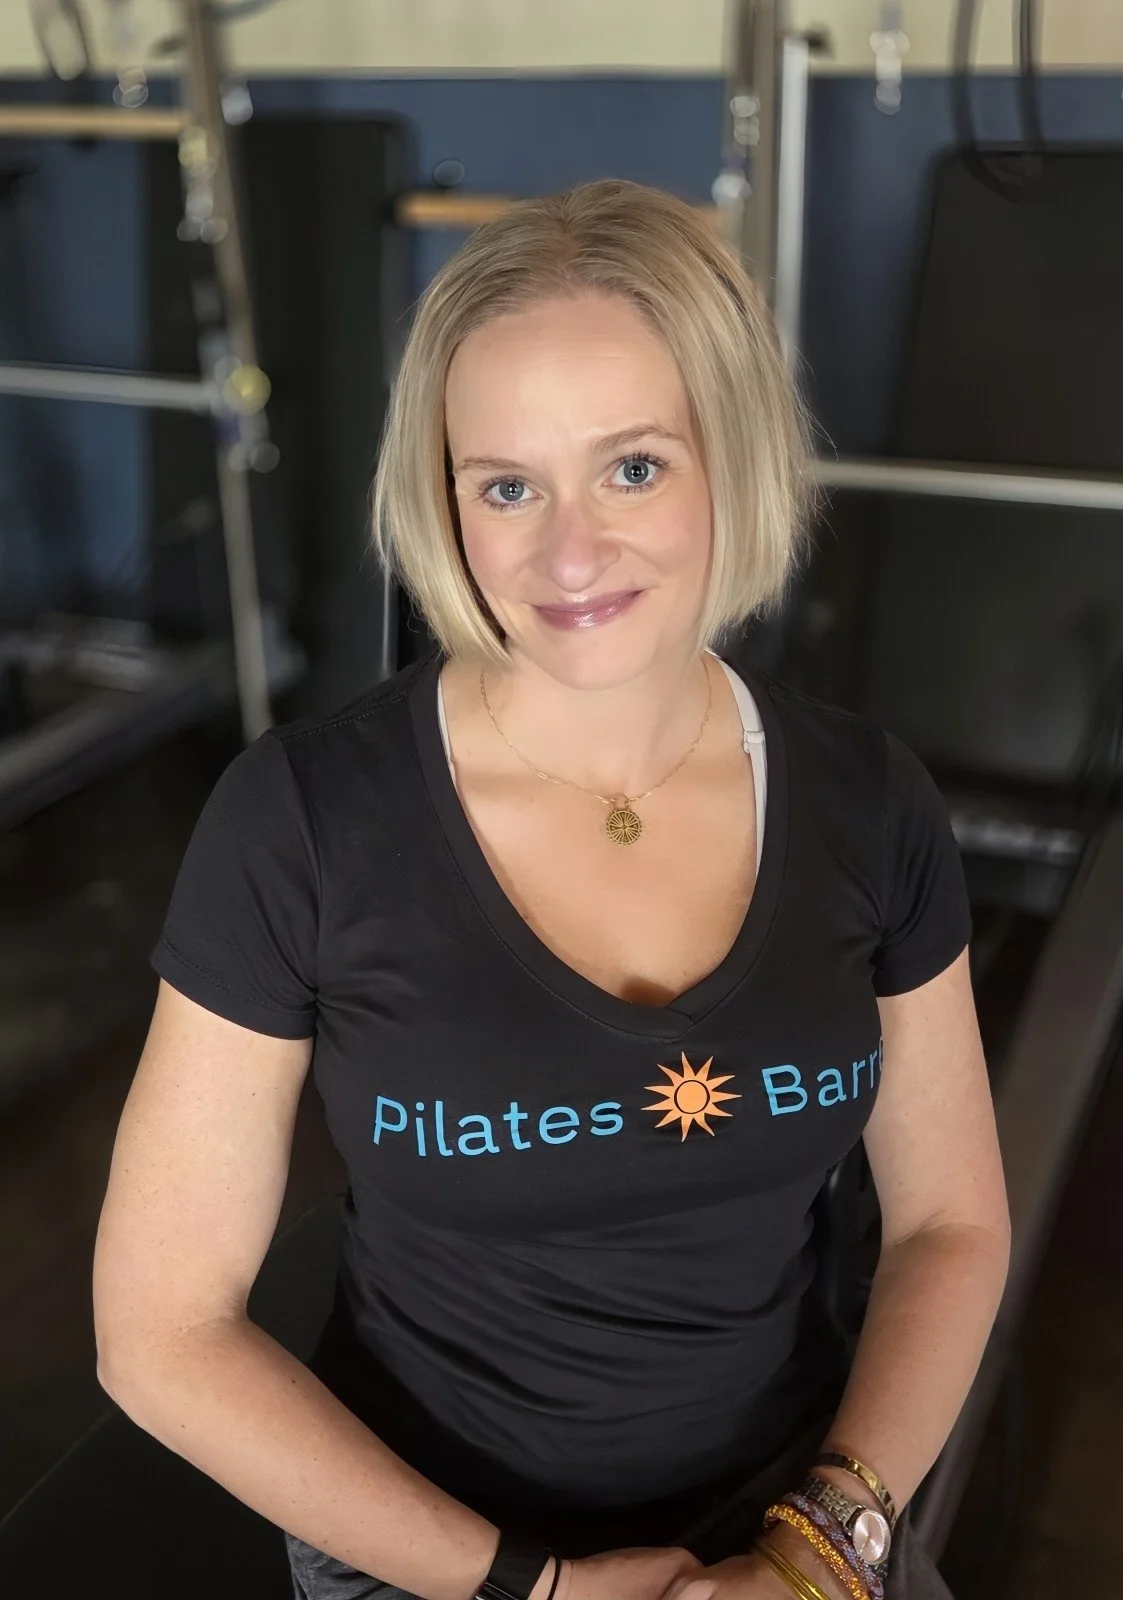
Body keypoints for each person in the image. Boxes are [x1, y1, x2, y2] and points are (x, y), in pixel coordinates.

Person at [93, 178, 1010, 1600]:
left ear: (731, 455)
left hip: (795, 1519)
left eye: (633, 467)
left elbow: (951, 1221)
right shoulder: (303, 822)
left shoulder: (867, 801)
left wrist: (820, 1548)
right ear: (445, 501)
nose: (568, 555)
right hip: (435, 1548)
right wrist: (535, 1586)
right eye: (507, 486)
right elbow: (160, 1333)